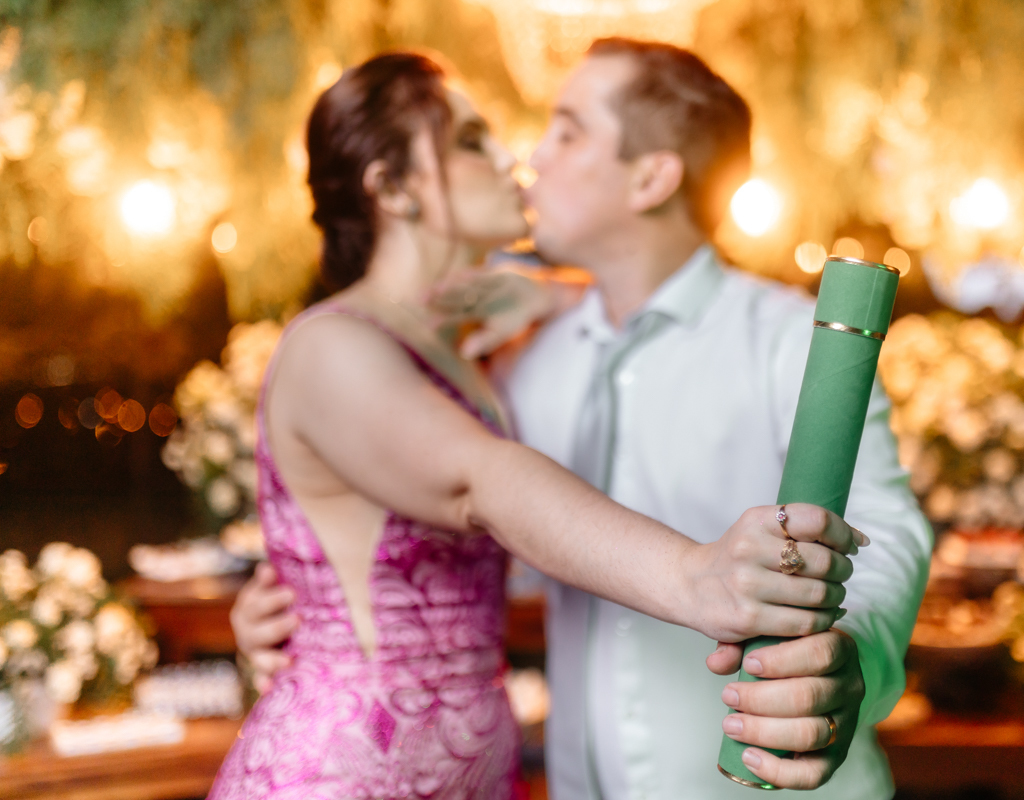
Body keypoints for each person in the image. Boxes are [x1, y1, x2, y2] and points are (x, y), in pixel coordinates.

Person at [208, 51, 869, 800]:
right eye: (470, 140)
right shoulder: (331, 344)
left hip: (475, 769)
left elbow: (636, 296)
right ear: (391, 188)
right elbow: (481, 480)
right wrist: (695, 575)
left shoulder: (470, 348)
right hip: (343, 773)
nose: (511, 158)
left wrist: (546, 290)